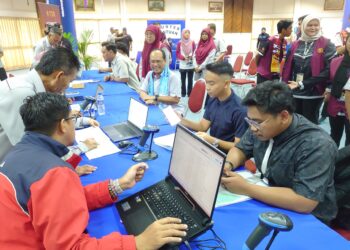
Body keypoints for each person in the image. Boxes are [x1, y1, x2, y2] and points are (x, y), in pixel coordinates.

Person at [0, 92, 188, 249]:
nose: (74, 123)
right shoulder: (54, 172)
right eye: (73, 118)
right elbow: (71, 247)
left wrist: (118, 185)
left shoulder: (20, 152)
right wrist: (138, 243)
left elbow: (60, 201)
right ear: (62, 125)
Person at [222, 81, 337, 224]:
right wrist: (228, 164)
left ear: (283, 116)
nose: (252, 128)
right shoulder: (260, 126)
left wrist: (246, 188)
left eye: (256, 122)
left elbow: (304, 201)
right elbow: (240, 148)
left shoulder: (316, 144)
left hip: (307, 218)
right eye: (249, 121)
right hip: (268, 194)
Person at [0, 47, 98, 175]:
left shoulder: (34, 87)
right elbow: (33, 150)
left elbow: (50, 123)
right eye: (69, 81)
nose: (66, 88)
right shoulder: (21, 94)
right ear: (59, 76)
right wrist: (78, 152)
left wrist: (82, 121)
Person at [180, 62, 247, 152]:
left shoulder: (240, 110)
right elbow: (203, 126)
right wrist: (180, 120)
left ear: (226, 84)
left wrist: (213, 140)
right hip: (212, 148)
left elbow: (238, 146)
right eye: (206, 82)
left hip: (227, 155)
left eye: (211, 84)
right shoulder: (214, 98)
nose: (207, 87)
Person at [283, 15, 337, 124]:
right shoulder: (295, 44)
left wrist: (304, 83)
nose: (313, 28)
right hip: (295, 89)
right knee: (294, 122)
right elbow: (288, 67)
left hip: (314, 91)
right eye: (309, 25)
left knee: (310, 123)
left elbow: (329, 69)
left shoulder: (327, 44)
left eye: (316, 25)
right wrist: (284, 85)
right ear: (303, 26)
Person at [326, 35, 350, 147]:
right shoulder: (336, 61)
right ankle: (333, 162)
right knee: (334, 136)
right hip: (335, 105)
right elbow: (329, 80)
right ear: (346, 42)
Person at [176, 29, 196, 97]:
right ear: (183, 34)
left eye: (188, 32)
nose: (187, 34)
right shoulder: (179, 43)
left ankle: (190, 93)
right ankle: (183, 92)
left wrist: (191, 56)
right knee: (183, 80)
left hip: (190, 64)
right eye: (185, 32)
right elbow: (177, 53)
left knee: (190, 80)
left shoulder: (192, 42)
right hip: (183, 64)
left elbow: (195, 51)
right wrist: (183, 58)